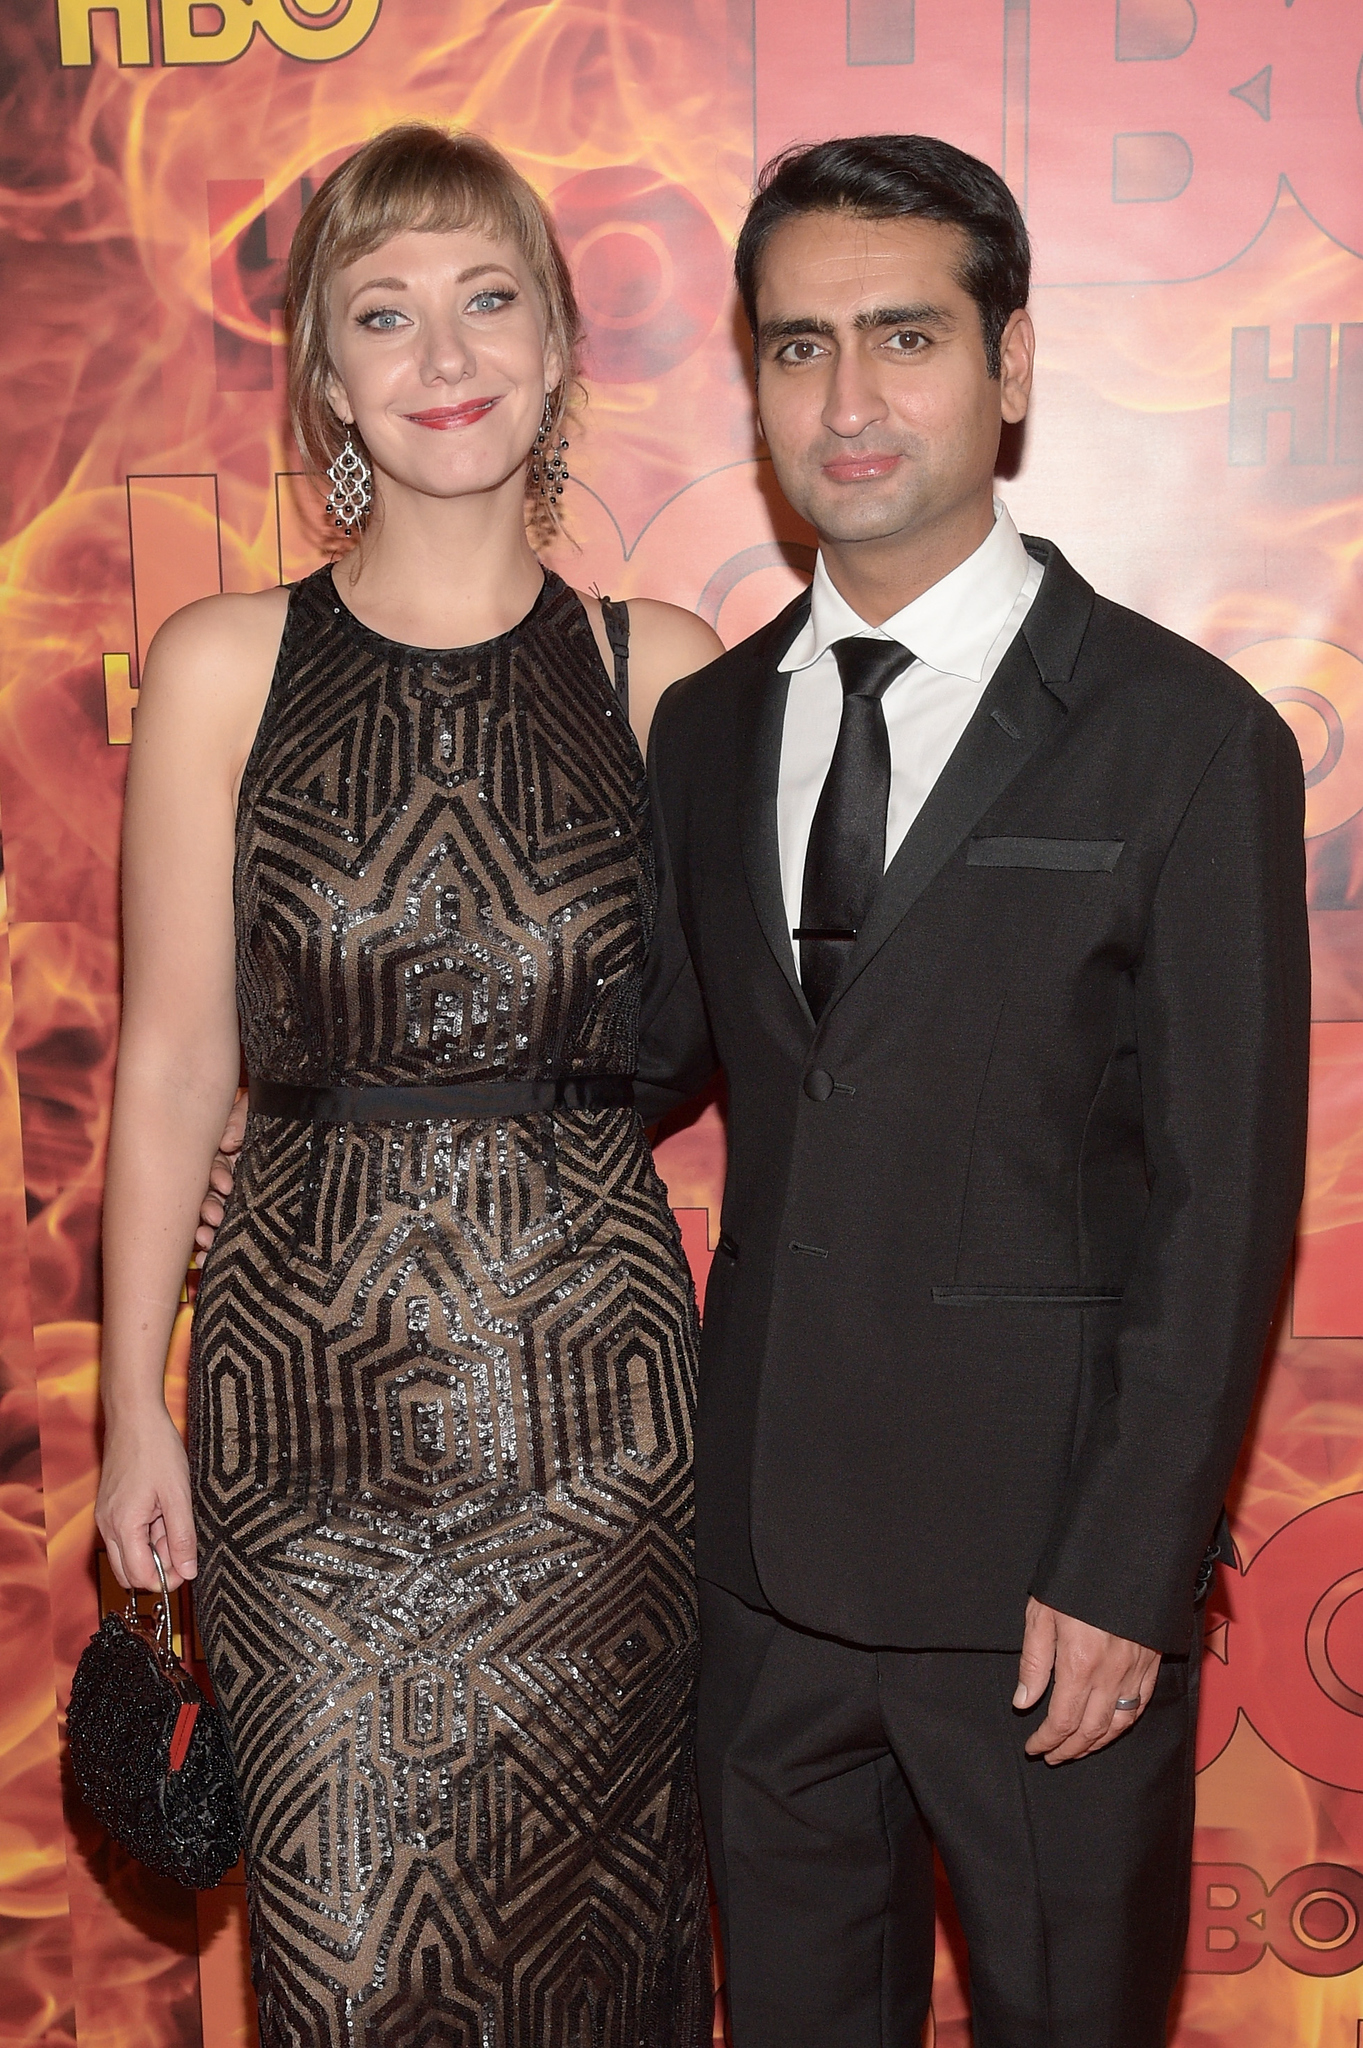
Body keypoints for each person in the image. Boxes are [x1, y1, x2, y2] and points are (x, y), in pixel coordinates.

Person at [631, 136, 1311, 2043]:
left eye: (905, 337)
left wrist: (1126, 1571)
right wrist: (318, 1121)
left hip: (1042, 1600)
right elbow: (653, 1060)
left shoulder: (1186, 737)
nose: (848, 401)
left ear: (1011, 367)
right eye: (796, 348)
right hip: (759, 1577)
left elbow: (1223, 1203)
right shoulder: (706, 727)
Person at [94, 122, 720, 2048]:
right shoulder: (221, 665)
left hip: (600, 1435)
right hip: (303, 1427)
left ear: (552, 351)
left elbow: (760, 1054)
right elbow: (180, 1056)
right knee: (346, 1972)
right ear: (331, 382)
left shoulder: (664, 671)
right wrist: (132, 1397)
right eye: (386, 314)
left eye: (486, 300)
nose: (443, 354)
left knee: (606, 1974)